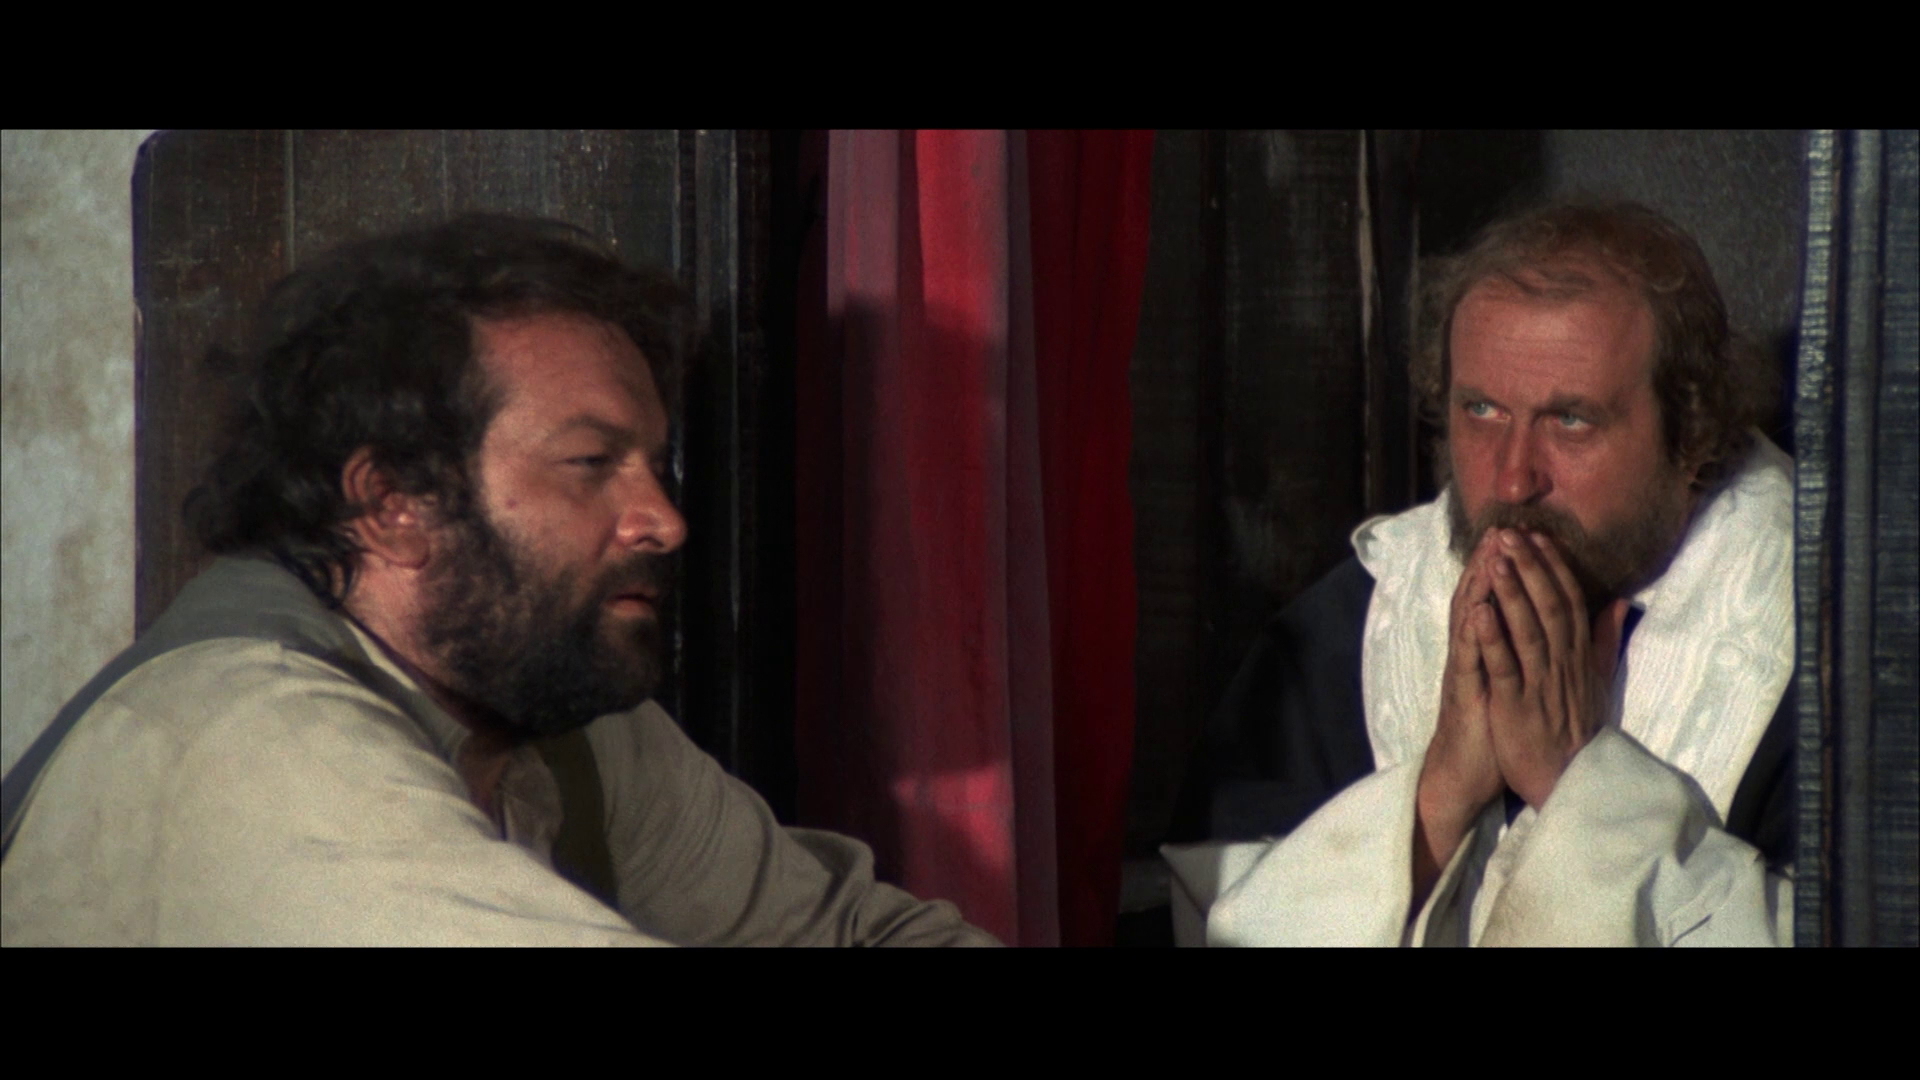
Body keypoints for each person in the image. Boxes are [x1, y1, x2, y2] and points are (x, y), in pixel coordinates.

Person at [0, 215, 998, 946]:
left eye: (656, 465)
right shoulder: (252, 744)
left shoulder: (549, 702)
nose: (664, 519)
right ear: (393, 503)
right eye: (590, 463)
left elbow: (855, 933)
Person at [1169, 201, 1794, 946]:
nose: (1513, 479)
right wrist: (1436, 800)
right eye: (1483, 410)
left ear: (1690, 437)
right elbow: (1221, 920)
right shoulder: (1346, 634)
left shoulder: (1823, 657)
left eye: (1570, 421)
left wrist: (1583, 791)